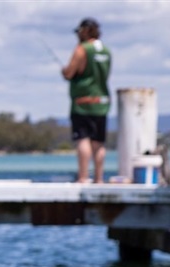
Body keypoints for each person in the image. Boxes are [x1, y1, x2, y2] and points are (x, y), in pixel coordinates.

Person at [61, 18, 112, 183]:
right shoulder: (106, 51)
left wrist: (65, 71)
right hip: (102, 102)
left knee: (83, 140)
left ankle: (83, 177)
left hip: (83, 103)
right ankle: (99, 178)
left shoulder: (82, 49)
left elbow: (69, 72)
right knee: (99, 142)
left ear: (84, 31)